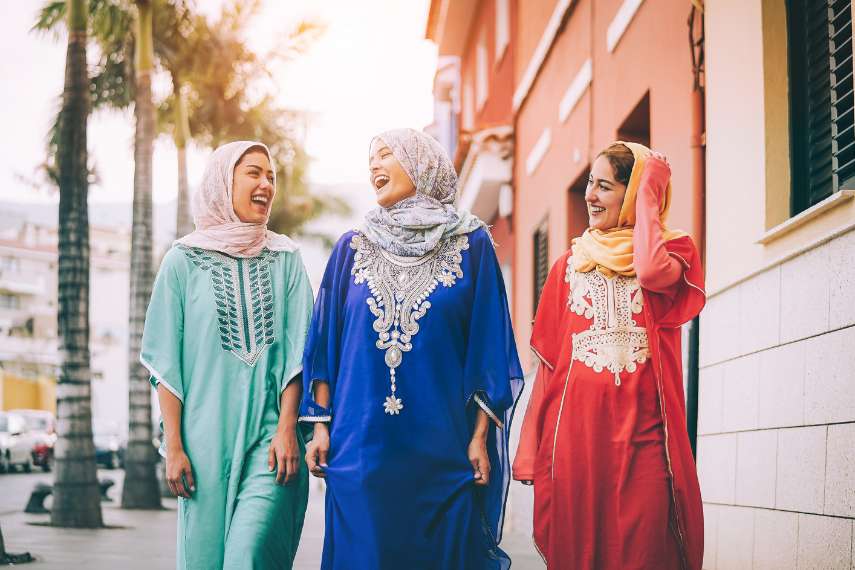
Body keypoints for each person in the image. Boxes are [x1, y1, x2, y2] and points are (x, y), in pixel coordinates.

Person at [300, 128, 524, 569]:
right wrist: (321, 428)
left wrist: (480, 437)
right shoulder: (352, 247)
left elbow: (487, 350)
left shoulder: (472, 244)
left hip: (443, 451)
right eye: (371, 160)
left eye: (386, 155)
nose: (374, 167)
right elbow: (324, 346)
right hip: (360, 451)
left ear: (421, 164)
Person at [513, 142, 706, 569]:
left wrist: (651, 190)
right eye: (589, 183)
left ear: (635, 195)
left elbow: (651, 270)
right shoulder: (568, 266)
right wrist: (533, 448)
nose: (590, 195)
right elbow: (548, 367)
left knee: (646, 548)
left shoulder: (674, 253)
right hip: (579, 442)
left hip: (646, 437)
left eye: (604, 186)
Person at [140, 141, 313, 569]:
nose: (266, 184)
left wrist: (288, 428)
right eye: (254, 173)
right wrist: (174, 446)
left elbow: (299, 354)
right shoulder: (181, 261)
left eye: (271, 176)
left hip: (270, 439)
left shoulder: (286, 259)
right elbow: (166, 363)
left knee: (248, 555)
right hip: (202, 444)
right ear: (223, 182)